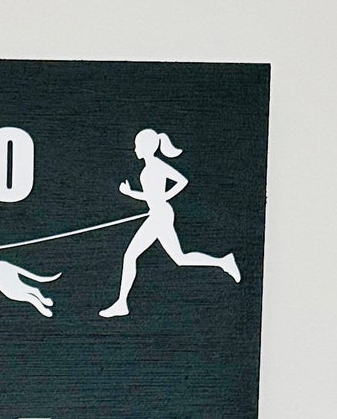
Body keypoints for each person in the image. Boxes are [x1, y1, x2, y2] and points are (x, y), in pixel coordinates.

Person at [100, 130, 241, 318]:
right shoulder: (148, 168)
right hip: (158, 214)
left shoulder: (156, 166)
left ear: (146, 147)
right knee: (179, 258)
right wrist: (132, 193)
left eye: (137, 145)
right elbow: (152, 196)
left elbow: (182, 181)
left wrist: (164, 197)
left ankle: (121, 303)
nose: (134, 149)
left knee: (131, 256)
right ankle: (223, 261)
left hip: (160, 215)